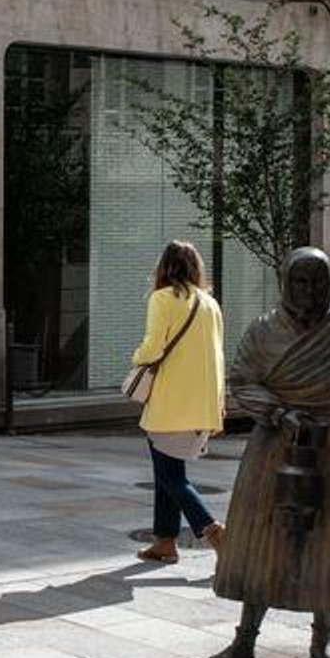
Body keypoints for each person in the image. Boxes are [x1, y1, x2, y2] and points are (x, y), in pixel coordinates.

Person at [210, 247, 330, 658]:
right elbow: (241, 380)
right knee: (260, 541)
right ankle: (244, 639)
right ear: (284, 283)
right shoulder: (263, 331)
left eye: (317, 281)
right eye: (300, 281)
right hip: (277, 445)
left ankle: (322, 638)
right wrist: (278, 412)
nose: (309, 289)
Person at [131, 240, 226, 564]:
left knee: (171, 476)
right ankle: (165, 542)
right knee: (166, 472)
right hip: (201, 404)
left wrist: (136, 358)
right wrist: (219, 404)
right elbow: (219, 357)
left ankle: (211, 529)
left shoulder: (163, 298)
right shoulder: (210, 303)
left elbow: (153, 347)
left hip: (170, 403)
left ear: (164, 266)